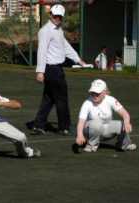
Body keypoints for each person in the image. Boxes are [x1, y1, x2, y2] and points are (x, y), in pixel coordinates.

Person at [28, 4, 87, 135]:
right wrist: (40, 71)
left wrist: (79, 60)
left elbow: (66, 47)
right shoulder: (45, 31)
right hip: (52, 69)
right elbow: (42, 51)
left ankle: (38, 125)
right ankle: (64, 127)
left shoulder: (58, 31)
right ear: (50, 15)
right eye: (55, 16)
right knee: (61, 98)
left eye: (60, 17)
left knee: (49, 98)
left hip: (56, 69)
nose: (57, 19)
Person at [75, 79, 137, 152]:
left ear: (104, 92)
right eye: (92, 93)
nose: (94, 95)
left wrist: (127, 122)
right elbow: (81, 122)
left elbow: (124, 113)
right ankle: (91, 145)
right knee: (96, 123)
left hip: (105, 130)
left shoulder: (110, 99)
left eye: (97, 93)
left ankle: (124, 145)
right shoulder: (87, 103)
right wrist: (79, 135)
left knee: (123, 125)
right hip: (90, 131)